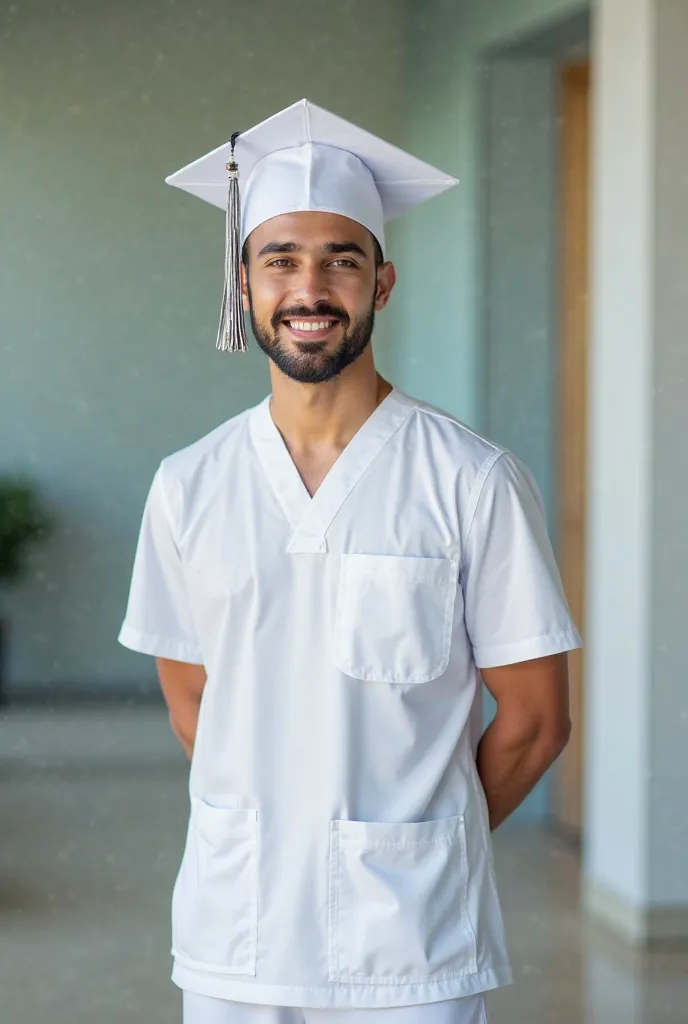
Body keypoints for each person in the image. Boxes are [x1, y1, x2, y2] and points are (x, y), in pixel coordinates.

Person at [119, 99, 582, 1024]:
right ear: (243, 284)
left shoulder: (472, 480)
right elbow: (192, 701)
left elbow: (534, 722)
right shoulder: (188, 485)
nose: (310, 288)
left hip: (409, 944)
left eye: (343, 259)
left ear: (383, 283)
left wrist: (418, 848)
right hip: (234, 932)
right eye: (280, 260)